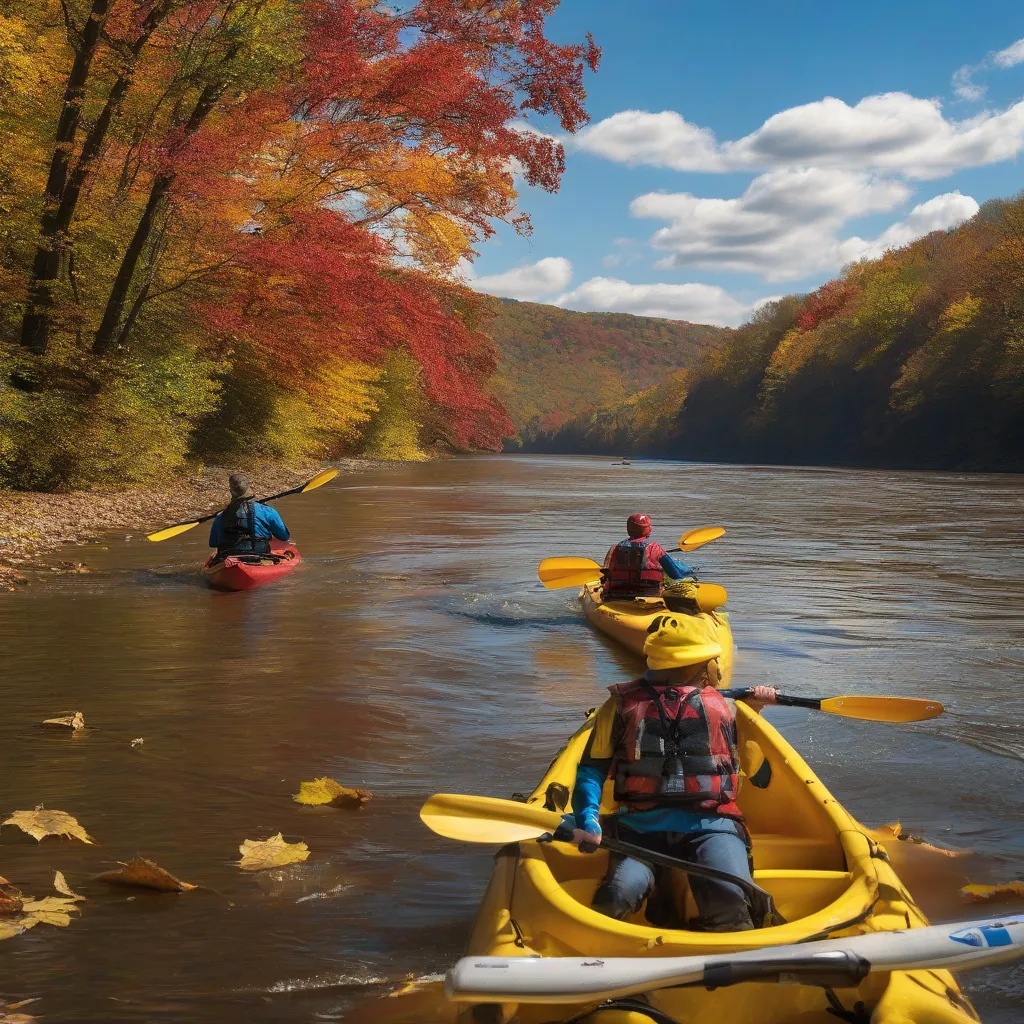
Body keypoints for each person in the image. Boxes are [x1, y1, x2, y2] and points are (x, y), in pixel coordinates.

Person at [567, 615, 778, 931]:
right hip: (641, 828)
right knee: (619, 894)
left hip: (712, 825)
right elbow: (591, 771)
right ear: (701, 665)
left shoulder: (730, 708)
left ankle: (723, 943)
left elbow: (757, 772)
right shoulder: (619, 706)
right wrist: (588, 818)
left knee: (730, 901)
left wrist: (754, 713)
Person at [602, 513, 694, 600]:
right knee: (686, 578)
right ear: (647, 530)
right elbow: (675, 574)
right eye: (649, 526)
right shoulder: (654, 548)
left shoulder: (616, 548)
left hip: (617, 594)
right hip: (649, 594)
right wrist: (690, 571)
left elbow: (607, 573)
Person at [209, 473, 290, 559]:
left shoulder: (221, 516)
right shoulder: (268, 511)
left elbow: (213, 543)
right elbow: (284, 536)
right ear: (249, 489)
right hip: (260, 555)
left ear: (231, 492)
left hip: (228, 555)